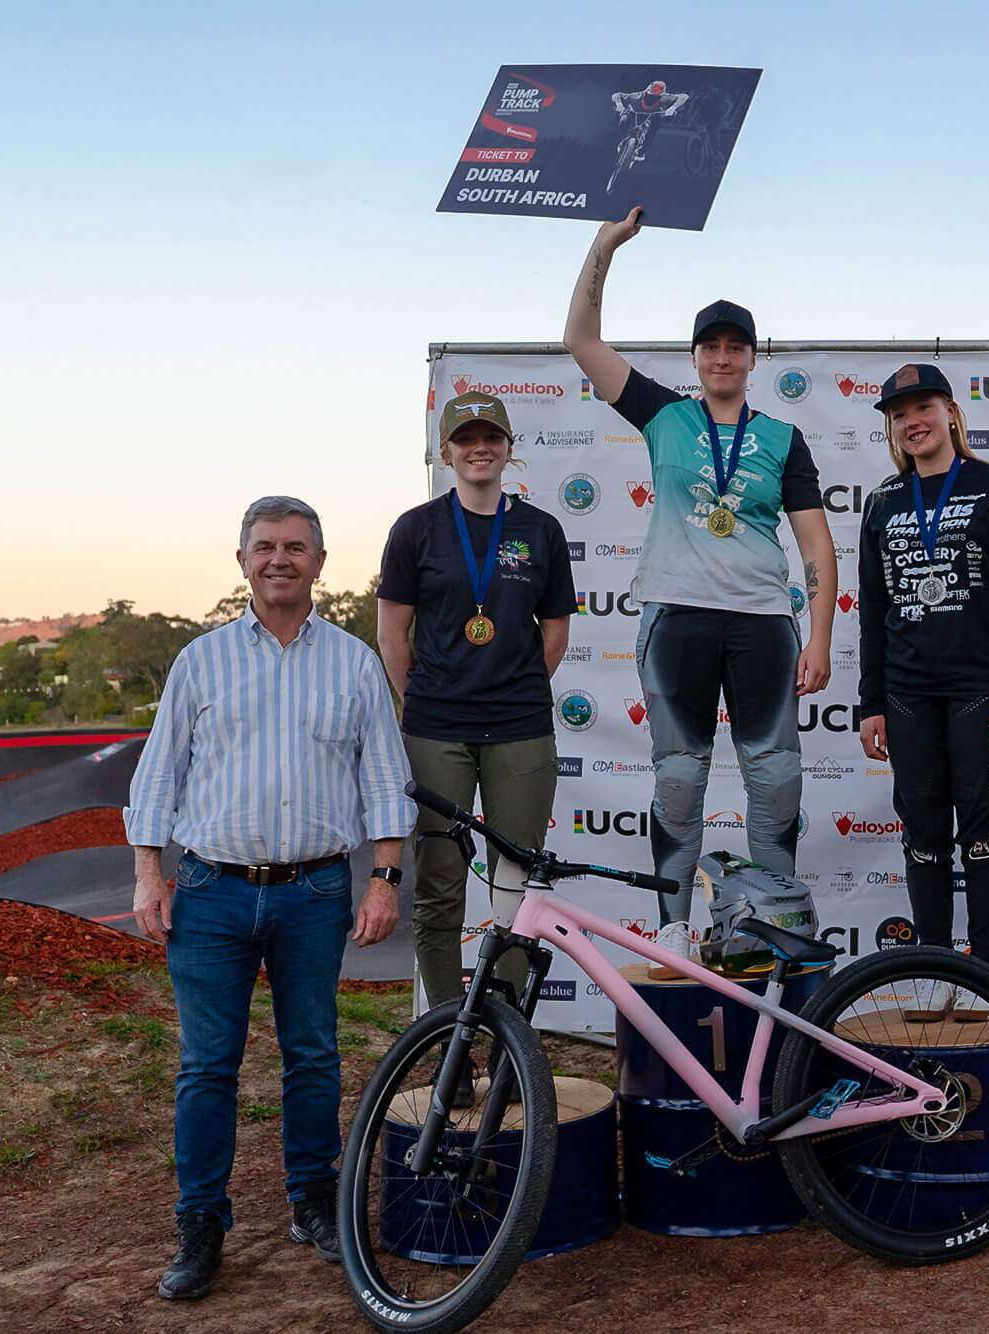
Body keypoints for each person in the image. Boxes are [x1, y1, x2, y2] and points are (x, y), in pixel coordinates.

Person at [125, 495, 415, 1299]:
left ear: (320, 562)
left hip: (315, 889)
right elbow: (159, 776)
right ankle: (200, 1223)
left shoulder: (354, 663)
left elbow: (386, 780)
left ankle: (313, 1202)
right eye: (264, 546)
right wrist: (149, 873)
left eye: (295, 547)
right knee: (207, 1066)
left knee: (314, 1055)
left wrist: (383, 878)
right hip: (212, 892)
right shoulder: (200, 662)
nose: (279, 559)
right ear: (242, 559)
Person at [562, 206, 837, 968]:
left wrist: (819, 637)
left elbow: (815, 541)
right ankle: (674, 929)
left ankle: (769, 921)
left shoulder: (782, 438)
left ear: (752, 358)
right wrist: (606, 244)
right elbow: (581, 341)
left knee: (775, 784)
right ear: (695, 357)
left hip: (758, 623)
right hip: (678, 618)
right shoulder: (664, 415)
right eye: (711, 347)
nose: (723, 358)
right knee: (679, 783)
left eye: (735, 347)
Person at [377, 391, 576, 1006]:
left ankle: (505, 1042)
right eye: (466, 439)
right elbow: (391, 632)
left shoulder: (541, 529)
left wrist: (509, 689)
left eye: (491, 438)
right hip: (438, 731)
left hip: (519, 730)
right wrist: (428, 701)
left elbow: (555, 632)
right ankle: (445, 1041)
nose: (479, 448)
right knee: (439, 887)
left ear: (509, 449)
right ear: (447, 451)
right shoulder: (416, 529)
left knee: (517, 891)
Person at [856, 363, 989, 998]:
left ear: (952, 412)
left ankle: (986, 973)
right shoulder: (882, 501)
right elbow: (873, 609)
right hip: (908, 697)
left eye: (924, 407)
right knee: (924, 835)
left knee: (984, 830)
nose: (913, 422)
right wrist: (870, 702)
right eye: (899, 414)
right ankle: (934, 969)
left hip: (982, 693)